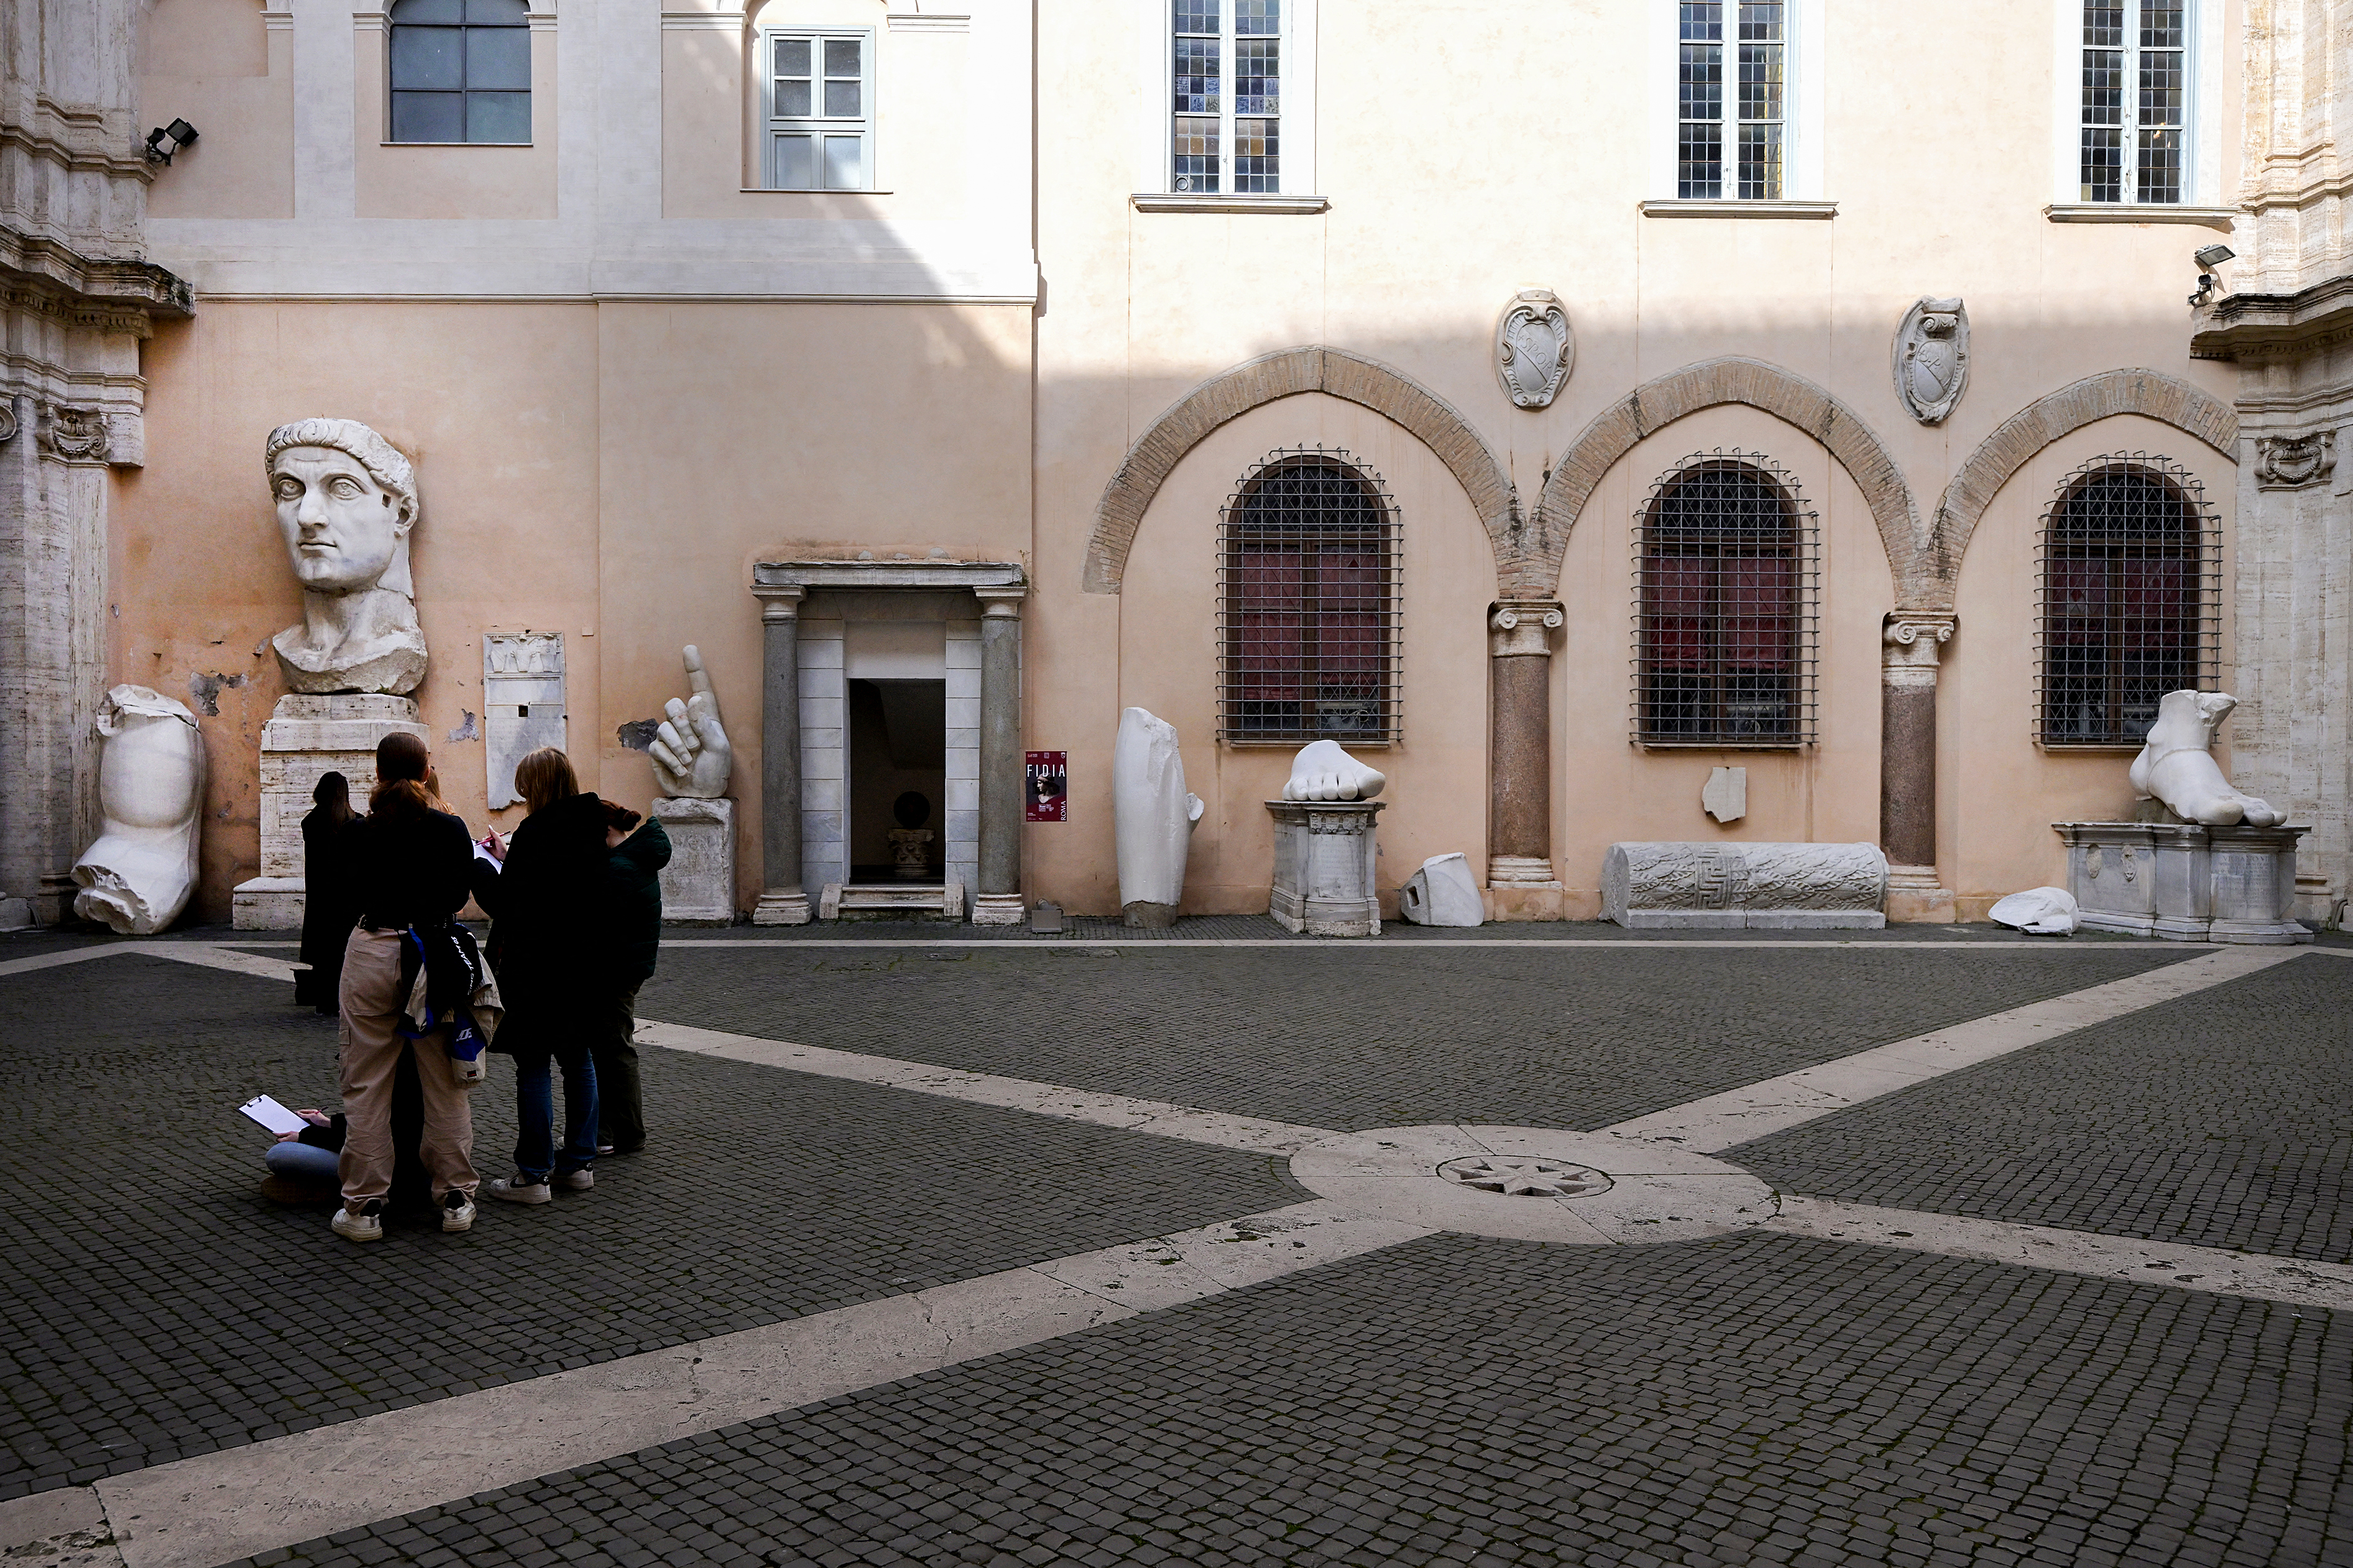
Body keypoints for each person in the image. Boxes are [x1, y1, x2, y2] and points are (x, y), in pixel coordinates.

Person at [335, 730, 481, 1242]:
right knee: (444, 1083)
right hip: (432, 952)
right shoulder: (449, 827)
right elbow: (460, 893)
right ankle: (456, 1196)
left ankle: (365, 1204)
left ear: (376, 774)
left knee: (367, 1082)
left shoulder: (358, 832)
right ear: (425, 772)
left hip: (373, 947)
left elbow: (345, 893)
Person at [476, 748, 606, 1204]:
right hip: (582, 962)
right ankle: (579, 1164)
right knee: (578, 1058)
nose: (523, 795)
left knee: (533, 1064)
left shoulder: (536, 831)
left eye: (527, 787)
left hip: (536, 966)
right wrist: (508, 854)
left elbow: (509, 903)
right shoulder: (590, 825)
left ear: (539, 786)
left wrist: (481, 866)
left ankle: (533, 1175)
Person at [593, 801, 671, 1155]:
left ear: (604, 833)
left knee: (615, 1049)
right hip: (625, 966)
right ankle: (605, 1131)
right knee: (609, 1047)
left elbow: (599, 921)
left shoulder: (618, 868)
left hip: (616, 969)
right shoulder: (629, 860)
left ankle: (627, 1132)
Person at [297, 772, 364, 1014]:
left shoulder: (311, 823)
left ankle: (325, 1001)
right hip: (349, 897)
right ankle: (346, 1000)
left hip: (321, 895)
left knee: (324, 951)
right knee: (345, 951)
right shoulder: (356, 822)